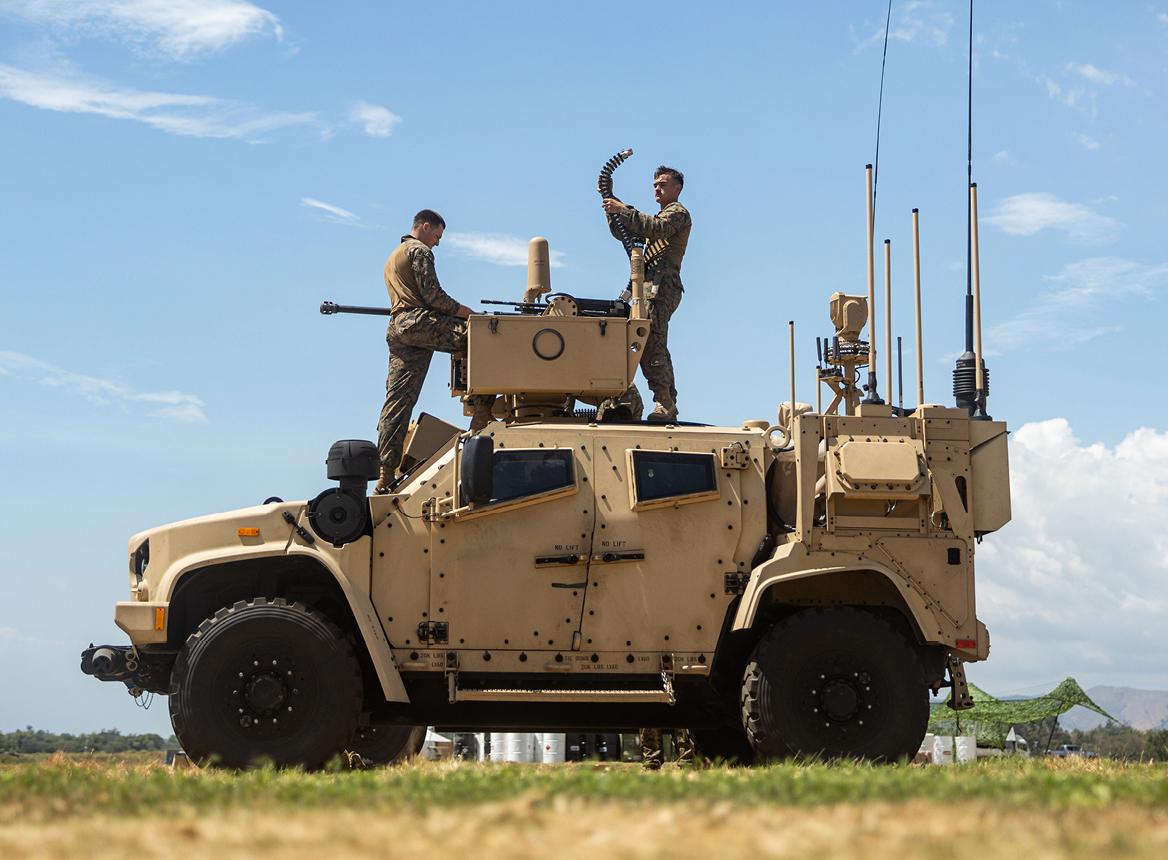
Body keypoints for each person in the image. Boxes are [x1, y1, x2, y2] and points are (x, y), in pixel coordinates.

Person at [376, 209, 494, 493]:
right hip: (418, 322)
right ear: (425, 227)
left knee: (398, 401)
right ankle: (481, 419)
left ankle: (385, 473)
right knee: (483, 338)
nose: (437, 243)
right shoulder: (419, 251)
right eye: (437, 236)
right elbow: (433, 296)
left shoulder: (394, 255)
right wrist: (467, 313)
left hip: (399, 328)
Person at [601, 165, 691, 423]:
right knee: (633, 338)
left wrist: (623, 209)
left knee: (652, 342)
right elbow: (625, 233)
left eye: (663, 184)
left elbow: (655, 229)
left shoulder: (677, 214)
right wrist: (613, 208)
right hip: (645, 287)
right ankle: (624, 398)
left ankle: (665, 402)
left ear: (677, 188)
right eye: (654, 185)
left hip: (662, 287)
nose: (657, 189)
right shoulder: (658, 217)